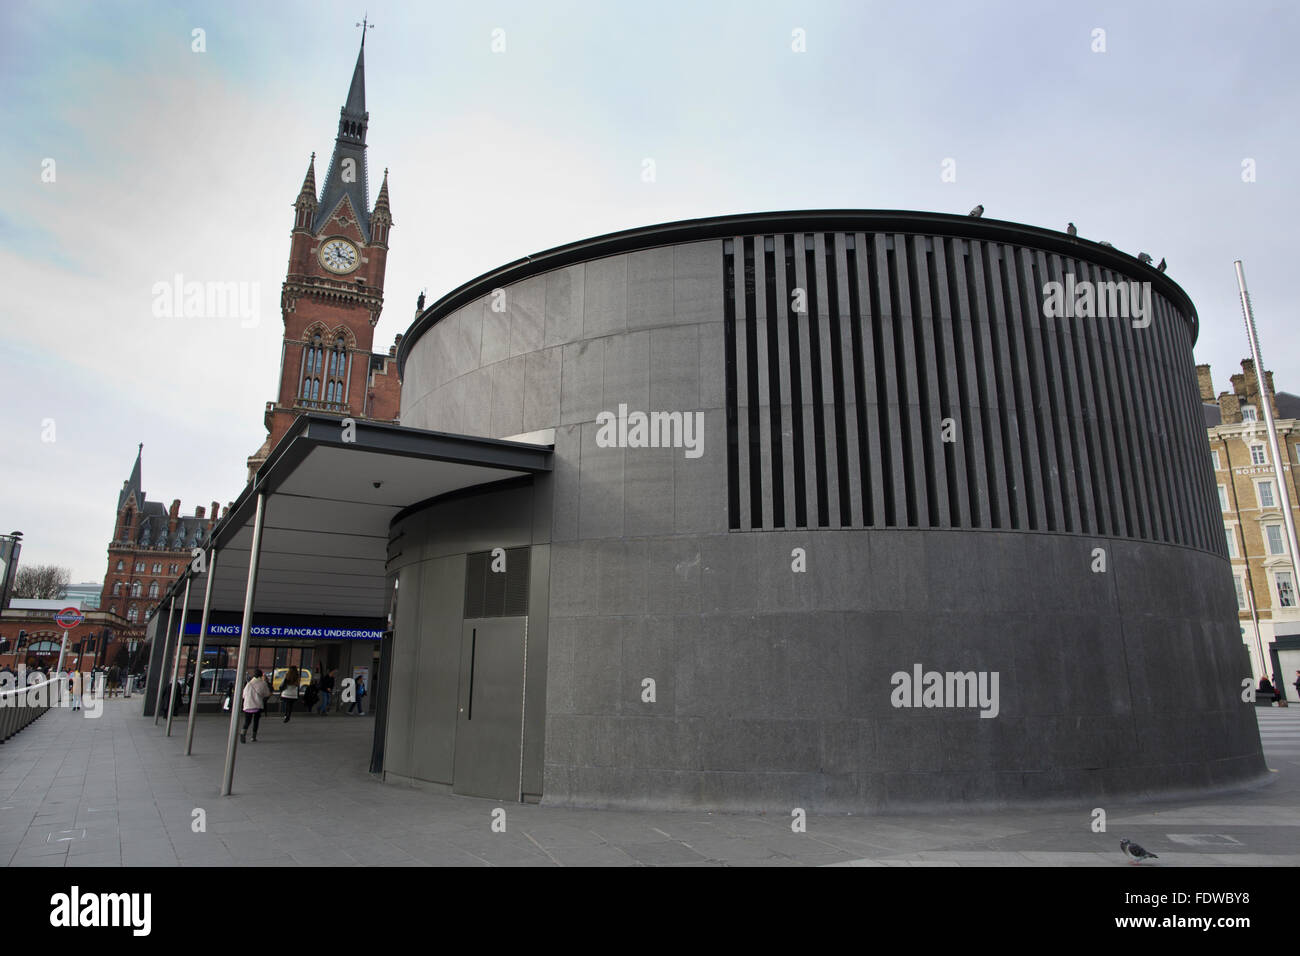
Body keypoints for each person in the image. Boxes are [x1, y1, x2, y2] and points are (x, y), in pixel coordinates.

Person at [240, 669, 270, 743]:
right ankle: (253, 737)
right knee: (256, 721)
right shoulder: (263, 683)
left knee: (247, 721)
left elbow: (243, 695)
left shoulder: (249, 683)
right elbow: (266, 694)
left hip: (248, 705)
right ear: (261, 675)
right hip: (257, 705)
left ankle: (243, 733)